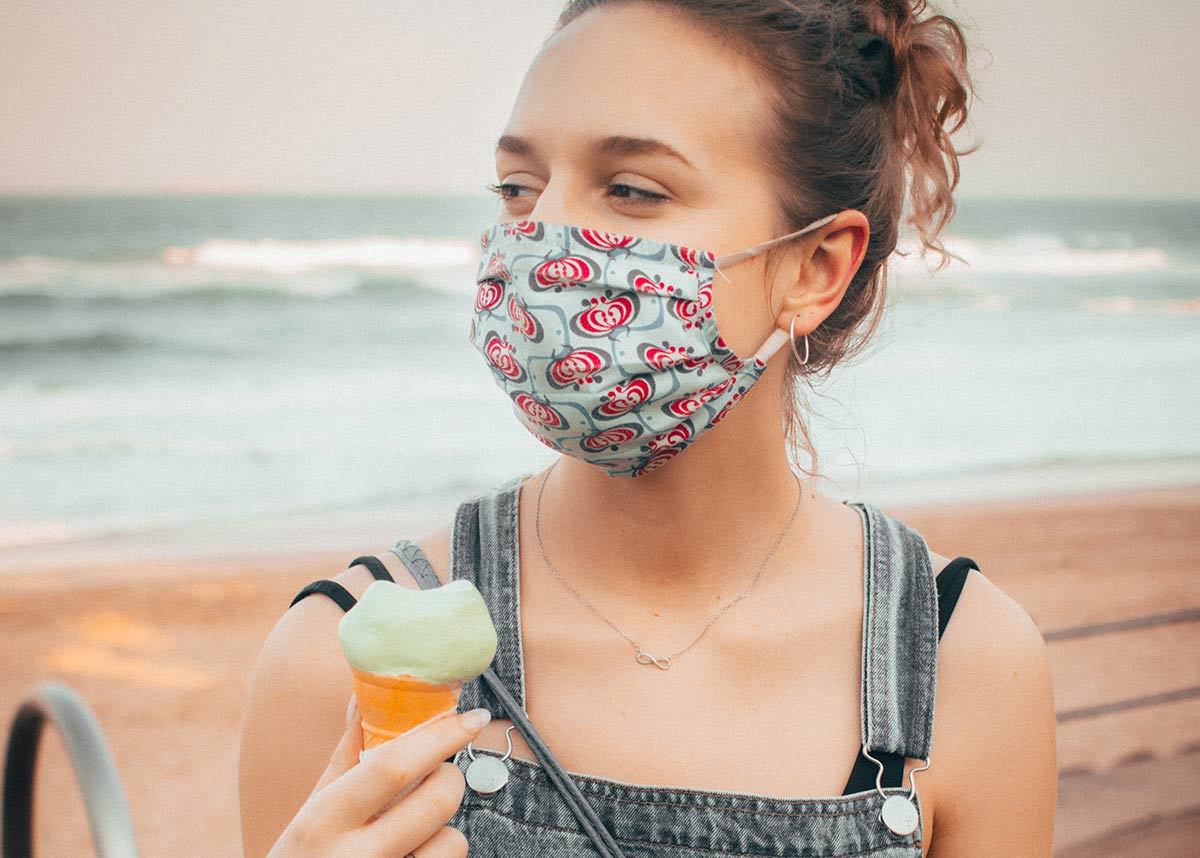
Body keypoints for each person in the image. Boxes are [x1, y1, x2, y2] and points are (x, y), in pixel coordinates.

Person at [239, 1, 1058, 856]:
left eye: (632, 189)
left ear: (815, 268)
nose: (542, 231)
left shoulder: (966, 664)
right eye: (519, 188)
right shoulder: (336, 662)